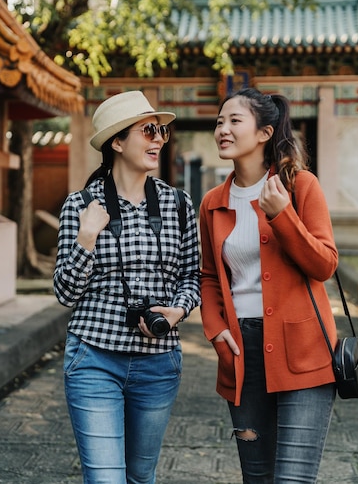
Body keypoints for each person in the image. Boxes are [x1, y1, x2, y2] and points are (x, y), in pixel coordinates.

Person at [54, 90, 200, 484]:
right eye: (148, 130)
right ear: (117, 142)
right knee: (106, 479)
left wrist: (179, 309)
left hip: (158, 362)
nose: (158, 139)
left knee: (140, 477)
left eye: (162, 132)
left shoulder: (179, 205)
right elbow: (65, 294)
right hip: (94, 360)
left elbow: (192, 277)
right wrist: (86, 239)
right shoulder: (81, 205)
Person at [199, 87, 338, 484]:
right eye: (219, 122)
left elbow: (324, 264)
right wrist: (215, 330)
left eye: (234, 121)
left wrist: (282, 217)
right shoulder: (212, 202)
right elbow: (209, 275)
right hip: (242, 356)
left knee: (293, 479)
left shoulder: (299, 186)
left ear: (264, 132)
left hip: (306, 354)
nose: (223, 129)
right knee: (256, 476)